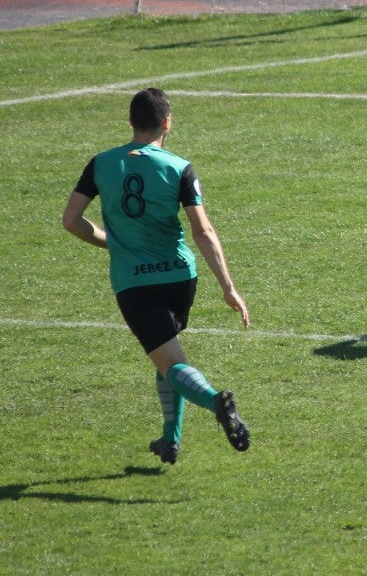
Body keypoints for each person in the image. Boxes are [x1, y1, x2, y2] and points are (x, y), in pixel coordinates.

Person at [61, 88, 251, 465]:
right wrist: (228, 288)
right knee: (168, 356)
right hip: (181, 277)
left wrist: (109, 242)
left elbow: (71, 220)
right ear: (167, 122)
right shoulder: (179, 166)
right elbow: (203, 232)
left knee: (169, 361)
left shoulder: (100, 163)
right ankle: (170, 440)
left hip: (135, 282)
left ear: (131, 122)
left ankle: (217, 402)